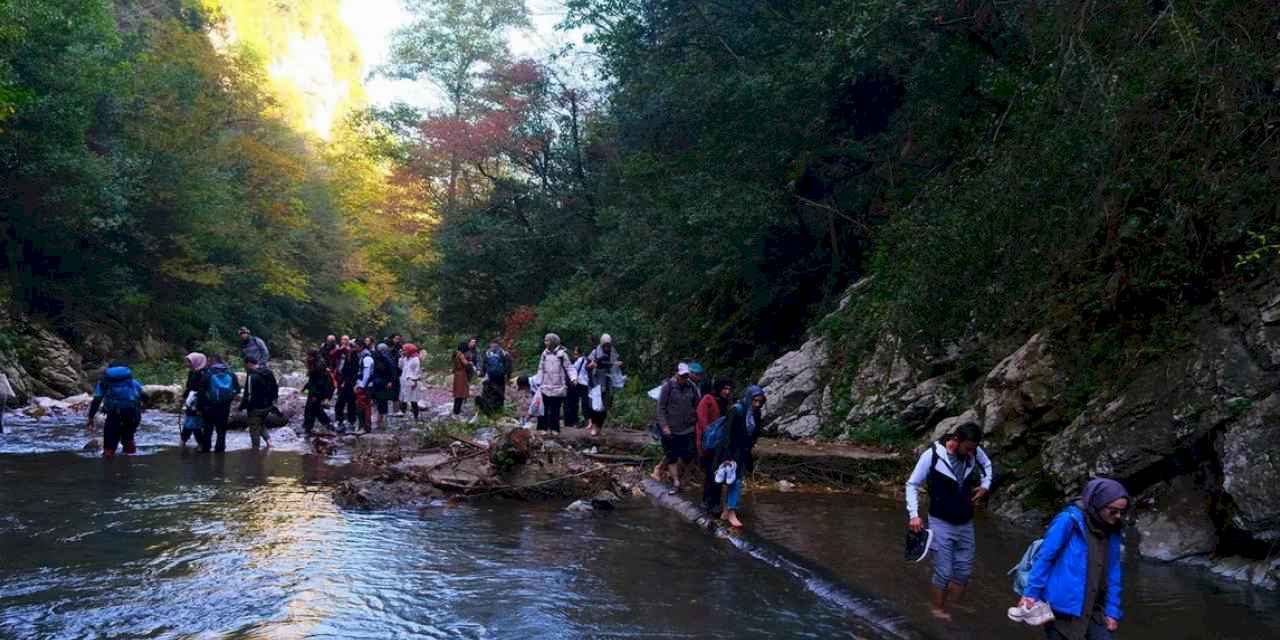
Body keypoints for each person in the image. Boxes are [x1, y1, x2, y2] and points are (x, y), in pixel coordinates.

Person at [1013, 478, 1129, 640]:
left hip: (1095, 608)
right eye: (1113, 510)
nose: (1118, 516)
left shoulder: (1114, 530)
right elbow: (1046, 558)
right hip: (1062, 608)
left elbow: (1113, 572)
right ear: (1098, 503)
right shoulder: (1068, 520)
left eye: (1122, 512)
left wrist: (1112, 611)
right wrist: (1031, 594)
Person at [905, 422, 994, 620]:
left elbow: (987, 465)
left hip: (966, 523)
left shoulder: (974, 451)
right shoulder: (933, 455)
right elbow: (912, 484)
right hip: (940, 522)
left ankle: (953, 609)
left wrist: (985, 486)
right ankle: (937, 610)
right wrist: (914, 515)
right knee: (944, 572)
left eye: (974, 449)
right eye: (968, 449)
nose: (972, 453)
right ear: (956, 441)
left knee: (963, 572)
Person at [713, 385, 765, 528]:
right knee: (732, 481)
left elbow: (754, 433)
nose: (757, 404)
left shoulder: (756, 413)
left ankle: (727, 510)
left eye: (760, 401)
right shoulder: (736, 411)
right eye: (754, 400)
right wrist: (728, 457)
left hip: (743, 452)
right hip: (730, 452)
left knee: (735, 480)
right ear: (748, 398)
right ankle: (730, 512)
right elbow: (727, 435)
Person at [85, 363, 147, 457]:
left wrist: (90, 417)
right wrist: (142, 408)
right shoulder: (133, 382)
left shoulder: (103, 383)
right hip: (133, 413)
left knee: (109, 444)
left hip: (115, 414)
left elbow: (97, 400)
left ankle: (109, 467)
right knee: (128, 438)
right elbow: (145, 396)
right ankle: (130, 462)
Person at [656, 363, 701, 495]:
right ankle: (676, 481)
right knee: (672, 457)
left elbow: (697, 404)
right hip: (671, 429)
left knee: (688, 455)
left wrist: (696, 421)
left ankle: (683, 479)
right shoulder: (668, 387)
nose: (684, 378)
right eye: (682, 376)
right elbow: (660, 408)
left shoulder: (691, 387)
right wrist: (664, 426)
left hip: (688, 428)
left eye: (686, 375)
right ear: (677, 374)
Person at [698, 379, 734, 511]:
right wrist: (706, 443)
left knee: (718, 473)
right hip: (708, 444)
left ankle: (715, 503)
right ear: (718, 388)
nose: (727, 391)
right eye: (725, 388)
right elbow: (703, 423)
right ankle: (707, 501)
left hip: (721, 446)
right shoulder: (707, 399)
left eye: (729, 389)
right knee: (710, 474)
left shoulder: (727, 403)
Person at [196, 354, 239, 452]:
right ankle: (220, 449)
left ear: (213, 361)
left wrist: (199, 408)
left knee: (208, 429)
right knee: (221, 430)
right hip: (224, 406)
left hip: (209, 406)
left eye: (209, 361)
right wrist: (228, 399)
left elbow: (201, 393)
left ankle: (206, 449)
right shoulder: (231, 373)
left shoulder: (208, 374)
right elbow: (237, 390)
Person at [536, 333, 577, 433]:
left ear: (553, 342)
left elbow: (569, 367)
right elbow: (540, 368)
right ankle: (542, 428)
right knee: (544, 408)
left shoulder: (562, 354)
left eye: (548, 340)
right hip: (545, 385)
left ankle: (555, 429)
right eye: (545, 340)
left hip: (558, 386)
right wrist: (538, 381)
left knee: (555, 409)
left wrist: (574, 378)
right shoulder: (544, 354)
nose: (545, 342)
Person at [585, 334, 621, 437]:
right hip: (596, 383)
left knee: (605, 406)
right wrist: (591, 366)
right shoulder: (595, 352)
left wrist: (619, 366)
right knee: (595, 406)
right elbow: (587, 367)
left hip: (608, 383)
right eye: (604, 345)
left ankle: (599, 427)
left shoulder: (613, 353)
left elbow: (617, 366)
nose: (606, 347)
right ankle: (595, 426)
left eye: (608, 345)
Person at [240, 356, 279, 450]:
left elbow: (248, 394)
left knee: (254, 430)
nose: (245, 367)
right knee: (260, 424)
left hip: (255, 407)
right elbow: (275, 387)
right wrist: (273, 401)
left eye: (245, 365)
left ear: (249, 364)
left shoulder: (251, 376)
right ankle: (269, 442)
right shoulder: (268, 372)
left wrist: (242, 406)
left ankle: (255, 451)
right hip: (268, 406)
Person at [301, 349, 334, 435]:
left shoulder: (319, 366)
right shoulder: (315, 364)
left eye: (308, 356)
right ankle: (310, 427)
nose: (307, 358)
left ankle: (309, 427)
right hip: (315, 390)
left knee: (312, 409)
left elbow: (320, 382)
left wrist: (316, 395)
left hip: (319, 391)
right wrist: (305, 388)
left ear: (313, 357)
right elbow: (312, 380)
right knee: (313, 409)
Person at [180, 352, 208, 448]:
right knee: (190, 421)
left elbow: (202, 391)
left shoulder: (203, 374)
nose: (187, 364)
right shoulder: (192, 372)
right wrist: (183, 398)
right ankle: (185, 441)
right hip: (191, 402)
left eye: (189, 362)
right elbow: (189, 387)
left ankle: (198, 443)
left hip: (198, 402)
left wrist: (199, 406)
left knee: (194, 423)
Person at [479, 339, 513, 416]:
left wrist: (483, 374)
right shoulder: (503, 352)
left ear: (491, 344)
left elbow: (484, 364)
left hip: (490, 376)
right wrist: (508, 376)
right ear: (498, 344)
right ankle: (499, 409)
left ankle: (489, 409)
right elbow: (508, 364)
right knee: (500, 391)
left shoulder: (487, 353)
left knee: (489, 391)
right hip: (500, 376)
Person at [368, 343, 397, 429]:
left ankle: (381, 421)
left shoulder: (387, 359)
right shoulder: (377, 358)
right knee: (378, 401)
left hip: (383, 383)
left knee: (382, 401)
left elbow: (392, 371)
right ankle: (378, 420)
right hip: (378, 382)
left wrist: (390, 381)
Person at [334, 337, 360, 432]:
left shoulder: (353, 356)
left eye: (349, 346)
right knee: (340, 402)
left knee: (350, 402)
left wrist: (349, 382)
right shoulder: (343, 354)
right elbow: (332, 355)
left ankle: (351, 422)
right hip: (343, 382)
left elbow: (354, 370)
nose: (348, 348)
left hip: (350, 382)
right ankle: (339, 421)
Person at [399, 343, 425, 421]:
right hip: (404, 380)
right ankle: (403, 415)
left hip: (412, 381)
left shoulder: (415, 359)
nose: (403, 351)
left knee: (413, 400)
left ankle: (416, 417)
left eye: (405, 350)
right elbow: (400, 366)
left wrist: (415, 380)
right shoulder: (405, 358)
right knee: (403, 399)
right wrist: (401, 357)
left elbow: (417, 371)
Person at [354, 342, 375, 432]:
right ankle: (362, 426)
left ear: (361, 347)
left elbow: (366, 374)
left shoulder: (367, 359)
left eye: (356, 346)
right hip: (362, 384)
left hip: (365, 387)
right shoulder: (362, 357)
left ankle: (365, 427)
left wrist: (361, 386)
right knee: (360, 406)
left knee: (363, 407)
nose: (355, 348)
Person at [563, 346, 586, 427]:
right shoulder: (576, 360)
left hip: (572, 384)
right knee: (571, 403)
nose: (575, 354)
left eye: (576, 353)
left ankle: (570, 422)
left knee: (570, 403)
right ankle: (571, 421)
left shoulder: (575, 360)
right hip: (572, 384)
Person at [452, 341, 472, 416]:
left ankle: (455, 409)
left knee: (457, 392)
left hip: (457, 374)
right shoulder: (460, 355)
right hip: (461, 374)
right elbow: (465, 364)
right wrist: (470, 363)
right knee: (460, 392)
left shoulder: (455, 353)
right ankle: (457, 410)